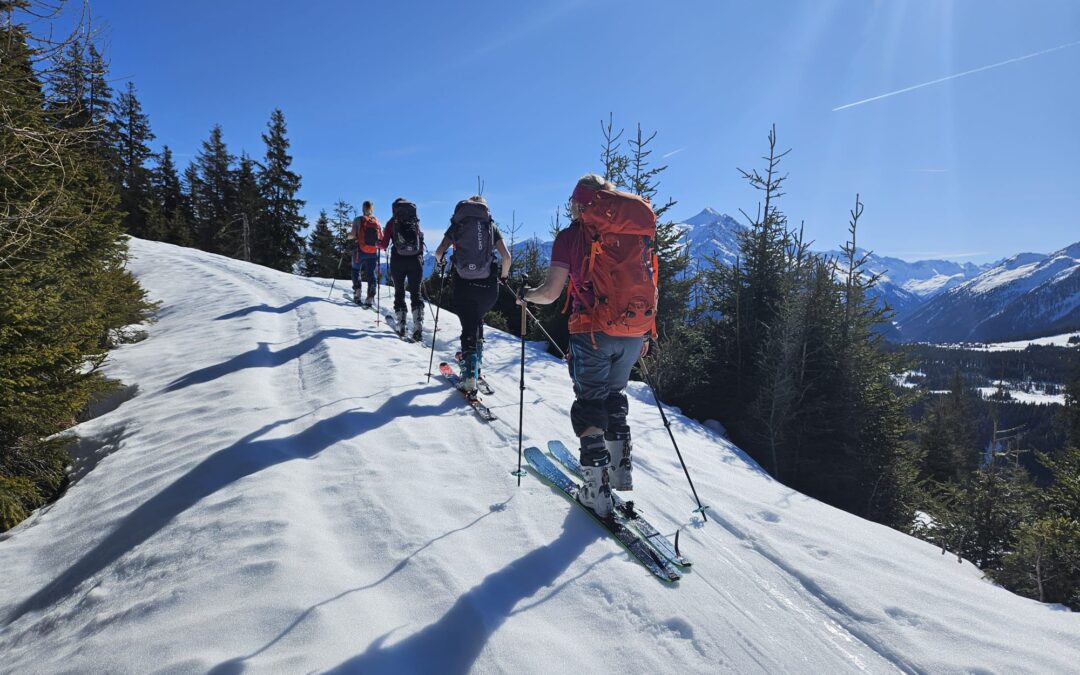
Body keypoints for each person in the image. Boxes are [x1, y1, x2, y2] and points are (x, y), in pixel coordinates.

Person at [521, 173, 657, 518]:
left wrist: (527, 297)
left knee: (590, 404)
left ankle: (596, 491)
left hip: (592, 330)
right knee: (615, 396)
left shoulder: (570, 237)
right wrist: (642, 332)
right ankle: (620, 471)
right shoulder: (633, 233)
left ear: (580, 203)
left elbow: (551, 293)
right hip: (633, 329)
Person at [433, 195, 512, 394]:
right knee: (477, 320)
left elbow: (439, 251)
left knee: (468, 326)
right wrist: (503, 277)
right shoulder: (490, 226)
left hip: (463, 284)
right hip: (487, 288)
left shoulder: (458, 224)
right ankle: (476, 363)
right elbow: (506, 258)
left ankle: (469, 375)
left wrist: (441, 263)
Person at [379, 198, 425, 341]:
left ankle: (402, 324)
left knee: (399, 291)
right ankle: (418, 327)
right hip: (415, 260)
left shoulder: (392, 222)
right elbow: (421, 242)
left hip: (398, 260)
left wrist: (377, 243)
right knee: (416, 293)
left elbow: (384, 244)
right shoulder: (416, 222)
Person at [346, 201, 381, 306]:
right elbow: (381, 237)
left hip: (359, 251)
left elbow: (352, 235)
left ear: (362, 208)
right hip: (373, 252)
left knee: (355, 269)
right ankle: (370, 297)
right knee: (371, 273)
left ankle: (357, 292)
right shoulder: (376, 221)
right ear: (372, 209)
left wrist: (347, 236)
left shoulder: (358, 220)